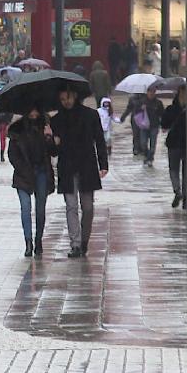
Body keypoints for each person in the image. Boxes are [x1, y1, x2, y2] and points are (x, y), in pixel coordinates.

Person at [50, 88, 108, 258]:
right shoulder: (57, 120)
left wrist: (103, 163)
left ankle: (84, 241)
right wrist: (52, 140)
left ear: (74, 95)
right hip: (67, 167)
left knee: (88, 207)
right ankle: (75, 244)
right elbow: (54, 151)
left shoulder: (90, 115)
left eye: (67, 97)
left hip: (86, 166)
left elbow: (99, 140)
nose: (65, 102)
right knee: (71, 206)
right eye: (61, 99)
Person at [7, 107, 57, 259]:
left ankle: (38, 239)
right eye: (31, 110)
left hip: (42, 172)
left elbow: (54, 152)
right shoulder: (17, 129)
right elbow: (12, 154)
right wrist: (23, 169)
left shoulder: (46, 125)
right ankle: (28, 241)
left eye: (37, 110)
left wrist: (49, 138)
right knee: (25, 208)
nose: (34, 113)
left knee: (40, 209)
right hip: (23, 174)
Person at [125, 85, 164, 167]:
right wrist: (141, 109)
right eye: (150, 92)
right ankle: (147, 156)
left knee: (153, 146)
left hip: (154, 126)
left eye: (153, 92)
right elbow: (135, 112)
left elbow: (162, 114)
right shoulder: (142, 101)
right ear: (147, 92)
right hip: (144, 126)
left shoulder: (158, 103)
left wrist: (163, 125)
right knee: (143, 144)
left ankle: (150, 159)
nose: (151, 94)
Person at [162, 86, 187, 208]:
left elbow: (164, 124)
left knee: (173, 170)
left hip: (173, 143)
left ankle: (177, 191)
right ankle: (186, 198)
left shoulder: (171, 109)